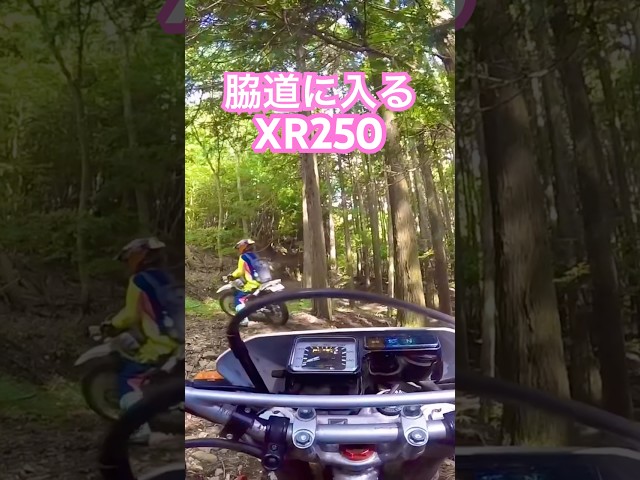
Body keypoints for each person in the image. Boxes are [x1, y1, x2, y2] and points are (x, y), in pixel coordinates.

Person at [101, 236, 184, 444]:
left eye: (129, 259)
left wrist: (111, 325)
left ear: (138, 257)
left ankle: (138, 430)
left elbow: (131, 315)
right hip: (181, 337)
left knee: (129, 379)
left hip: (164, 343)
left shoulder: (139, 281)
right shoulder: (167, 277)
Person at [227, 238, 272, 326]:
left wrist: (232, 275)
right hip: (266, 279)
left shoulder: (243, 257)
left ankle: (243, 320)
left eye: (239, 248)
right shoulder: (256, 255)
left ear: (242, 247)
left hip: (254, 283)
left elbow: (240, 271)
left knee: (239, 298)